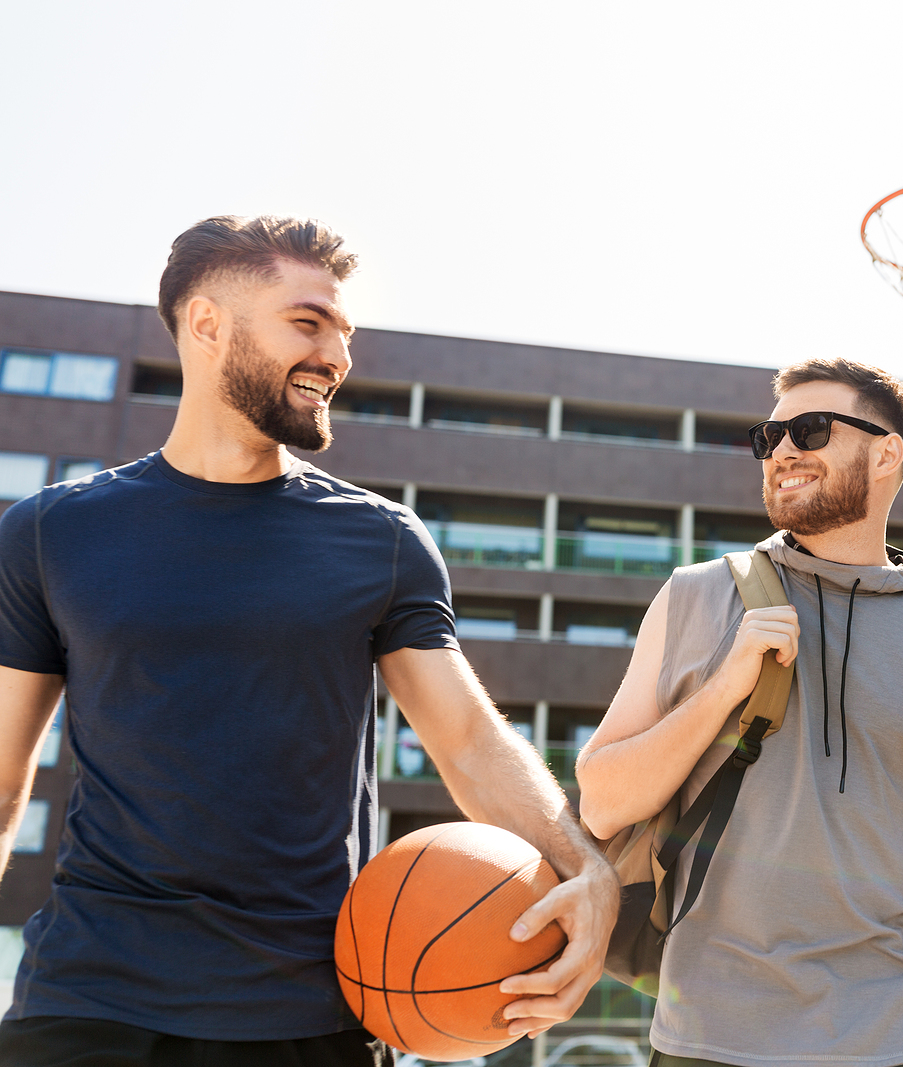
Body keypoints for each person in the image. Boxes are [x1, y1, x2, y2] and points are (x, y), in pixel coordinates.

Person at [0, 215, 619, 1066]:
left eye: (343, 330)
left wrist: (584, 868)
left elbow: (469, 740)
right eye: (308, 321)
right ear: (207, 323)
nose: (337, 354)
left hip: (308, 1010)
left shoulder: (382, 539)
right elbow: (3, 777)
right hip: (88, 999)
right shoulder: (49, 531)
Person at [577, 357, 903, 1067]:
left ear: (887, 453)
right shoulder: (694, 597)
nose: (783, 450)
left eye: (811, 430)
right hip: (714, 1034)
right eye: (771, 436)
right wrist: (724, 687)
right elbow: (603, 804)